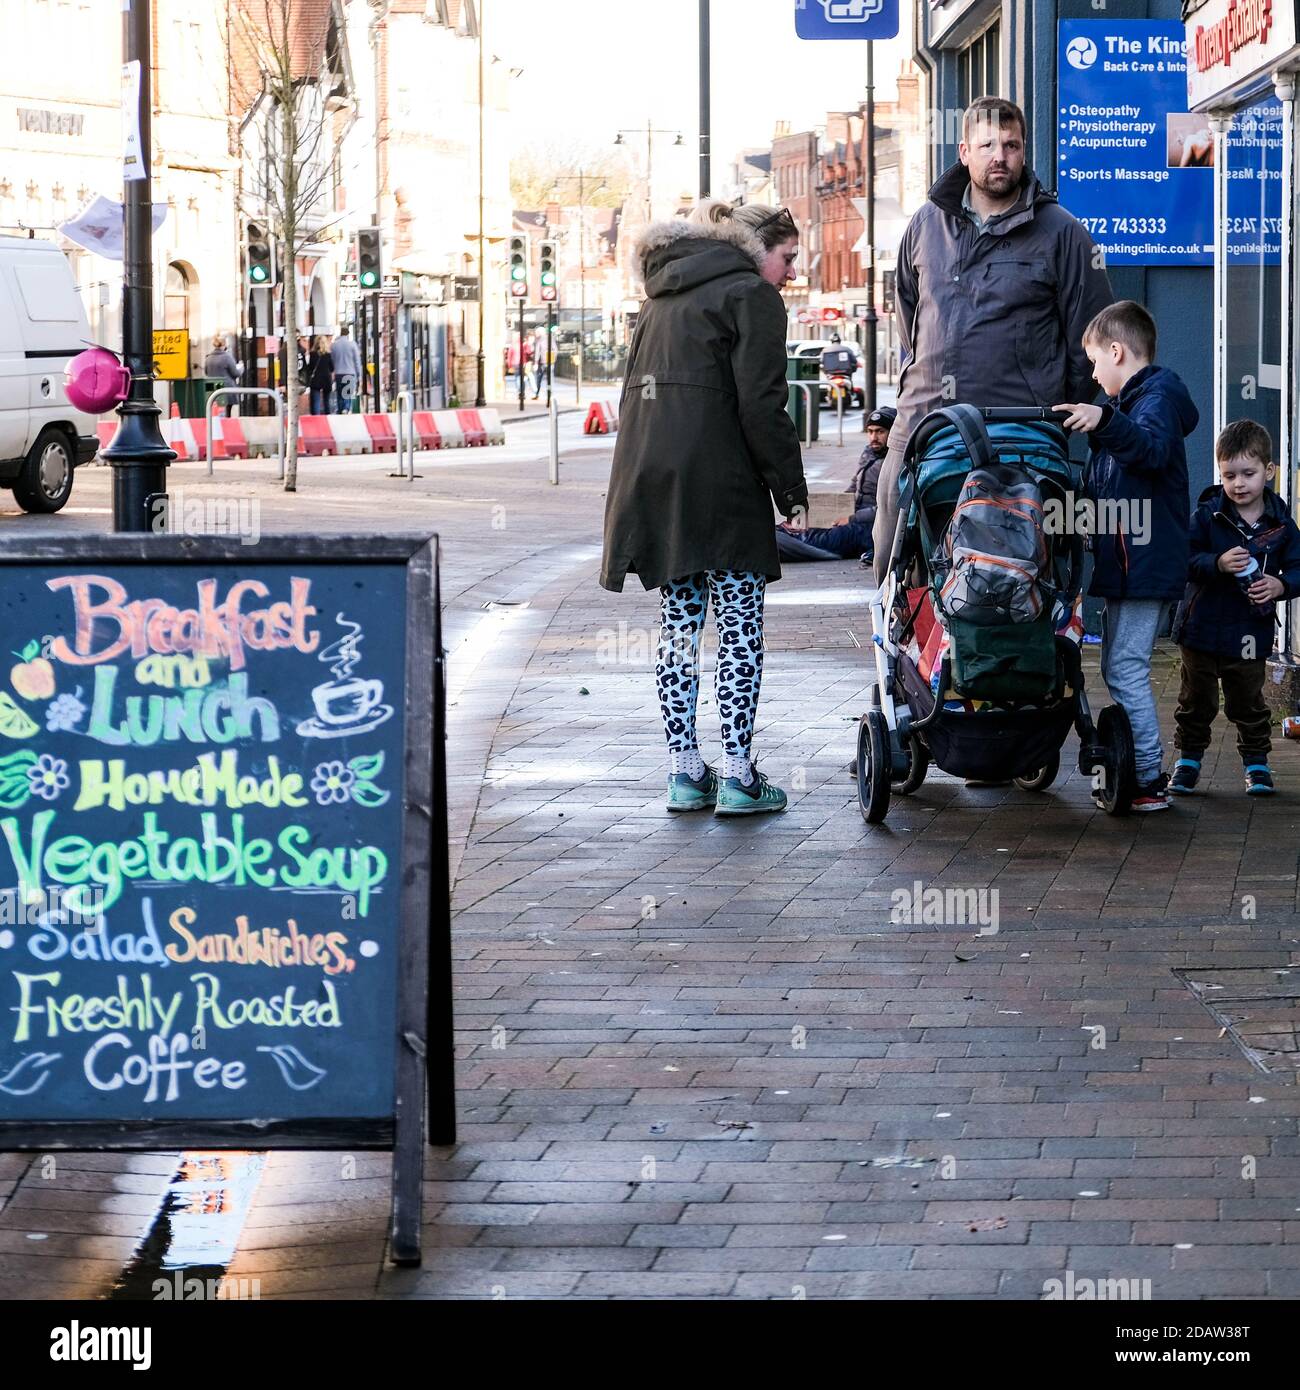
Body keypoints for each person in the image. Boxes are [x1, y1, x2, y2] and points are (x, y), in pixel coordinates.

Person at [601, 200, 808, 816]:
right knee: (740, 626)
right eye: (787, 258)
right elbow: (762, 406)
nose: (791, 273)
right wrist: (790, 490)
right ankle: (740, 776)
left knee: (679, 626)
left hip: (655, 481)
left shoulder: (662, 294)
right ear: (756, 248)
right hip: (723, 483)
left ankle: (686, 773)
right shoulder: (751, 296)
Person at [872, 96, 1113, 584]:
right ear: (964, 151)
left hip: (1017, 432)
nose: (999, 156)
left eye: (1011, 145)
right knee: (894, 559)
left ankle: (1004, 659)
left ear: (1024, 153)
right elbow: (908, 314)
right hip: (923, 423)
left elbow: (1093, 339)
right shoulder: (924, 224)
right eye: (987, 145)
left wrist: (1049, 404)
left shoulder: (1063, 234)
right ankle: (906, 656)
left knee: (1006, 571)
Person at [1055, 300, 1199, 813]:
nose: (1093, 374)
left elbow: (1153, 451)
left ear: (1117, 351)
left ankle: (1145, 779)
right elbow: (1110, 491)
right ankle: (1142, 774)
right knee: (1120, 668)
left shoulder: (1154, 400)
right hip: (1130, 567)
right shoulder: (1134, 407)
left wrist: (1103, 421)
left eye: (1095, 361)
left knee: (1127, 668)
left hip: (1145, 568)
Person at [1169, 421, 1300, 797]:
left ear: (1269, 472)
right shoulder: (1207, 516)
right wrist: (1216, 563)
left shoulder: (1281, 524)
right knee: (1197, 700)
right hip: (1200, 628)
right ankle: (1188, 762)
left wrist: (1280, 585)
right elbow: (1183, 560)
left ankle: (1257, 763)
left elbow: (1298, 567)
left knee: (1248, 700)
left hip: (1249, 630)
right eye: (1229, 475)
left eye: (1248, 473)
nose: (1239, 483)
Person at [776, 405, 896, 562]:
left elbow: (889, 507)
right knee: (797, 527)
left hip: (870, 525)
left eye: (880, 431)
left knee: (823, 539)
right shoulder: (869, 453)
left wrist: (852, 518)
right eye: (870, 431)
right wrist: (832, 509)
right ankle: (782, 538)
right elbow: (854, 487)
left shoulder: (895, 462)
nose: (874, 437)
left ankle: (788, 545)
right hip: (854, 515)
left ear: (892, 433)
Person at [331, 327, 362, 414]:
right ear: (348, 334)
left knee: (340, 394)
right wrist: (359, 374)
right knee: (347, 393)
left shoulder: (334, 345)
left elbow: (332, 360)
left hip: (338, 373)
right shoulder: (352, 345)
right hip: (349, 372)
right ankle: (346, 408)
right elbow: (357, 361)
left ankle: (341, 409)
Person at [307, 336, 334, 416]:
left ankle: (316, 418)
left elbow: (310, 368)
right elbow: (332, 368)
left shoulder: (312, 354)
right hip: (326, 379)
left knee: (316, 401)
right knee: (326, 401)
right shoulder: (328, 354)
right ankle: (327, 417)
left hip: (316, 379)